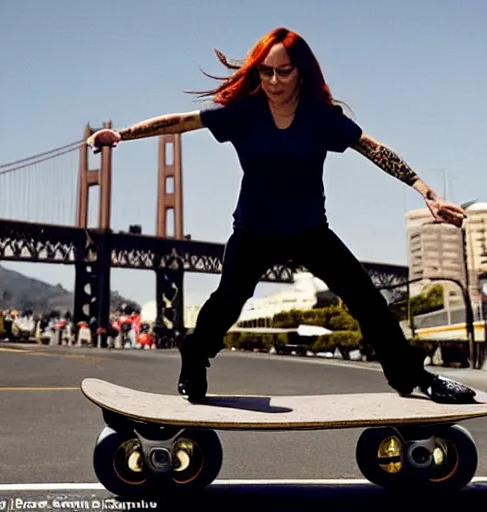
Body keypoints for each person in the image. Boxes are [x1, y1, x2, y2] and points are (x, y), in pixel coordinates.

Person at [87, 27, 476, 405]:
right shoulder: (243, 113)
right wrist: (122, 133)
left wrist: (427, 192)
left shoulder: (320, 117)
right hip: (254, 229)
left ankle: (412, 376)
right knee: (228, 299)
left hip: (309, 230)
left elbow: (372, 148)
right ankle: (195, 357)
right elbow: (180, 122)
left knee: (366, 299)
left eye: (283, 72)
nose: (273, 80)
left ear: (300, 71)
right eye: (265, 71)